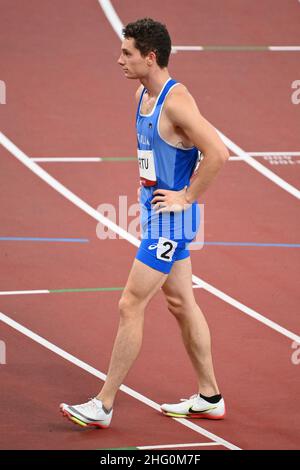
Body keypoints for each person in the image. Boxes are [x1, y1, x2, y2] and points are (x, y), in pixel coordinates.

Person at [60, 18, 229, 429]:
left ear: (150, 57)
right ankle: (210, 397)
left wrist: (186, 197)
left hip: (169, 224)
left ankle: (103, 404)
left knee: (130, 303)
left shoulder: (176, 102)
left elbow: (219, 153)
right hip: (155, 216)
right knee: (181, 302)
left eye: (127, 53)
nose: (119, 59)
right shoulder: (142, 94)